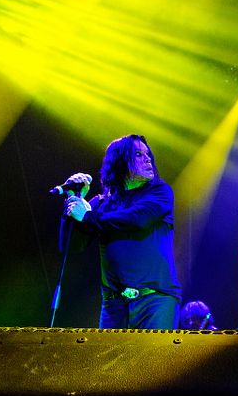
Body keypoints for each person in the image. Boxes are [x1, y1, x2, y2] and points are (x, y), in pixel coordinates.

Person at [62, 134, 181, 330]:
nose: (147, 158)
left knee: (155, 361)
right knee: (109, 361)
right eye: (138, 154)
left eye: (147, 154)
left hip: (154, 301)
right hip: (113, 306)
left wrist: (88, 216)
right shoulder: (101, 203)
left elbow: (137, 219)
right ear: (120, 162)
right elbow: (72, 245)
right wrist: (73, 200)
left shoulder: (160, 192)